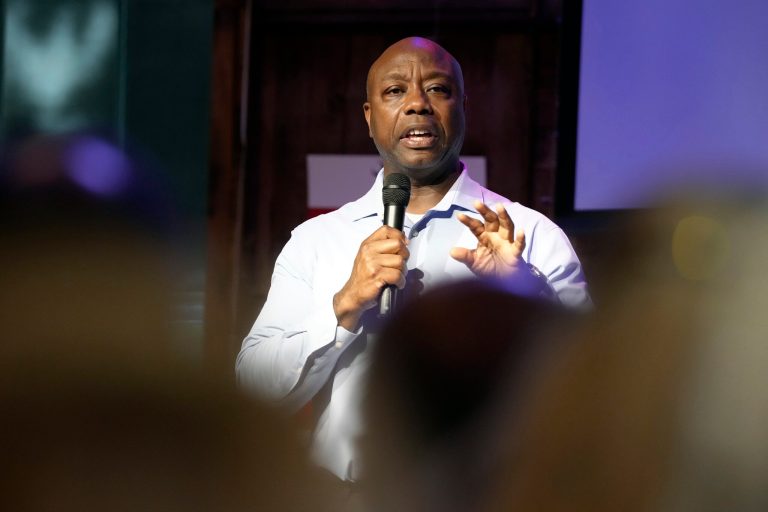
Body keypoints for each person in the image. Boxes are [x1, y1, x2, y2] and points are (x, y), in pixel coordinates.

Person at [236, 36, 590, 481]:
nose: (418, 104)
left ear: (463, 107)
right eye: (395, 91)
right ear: (369, 117)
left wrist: (523, 292)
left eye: (438, 89)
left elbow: (595, 387)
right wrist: (342, 308)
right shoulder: (316, 241)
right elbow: (254, 392)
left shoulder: (531, 235)